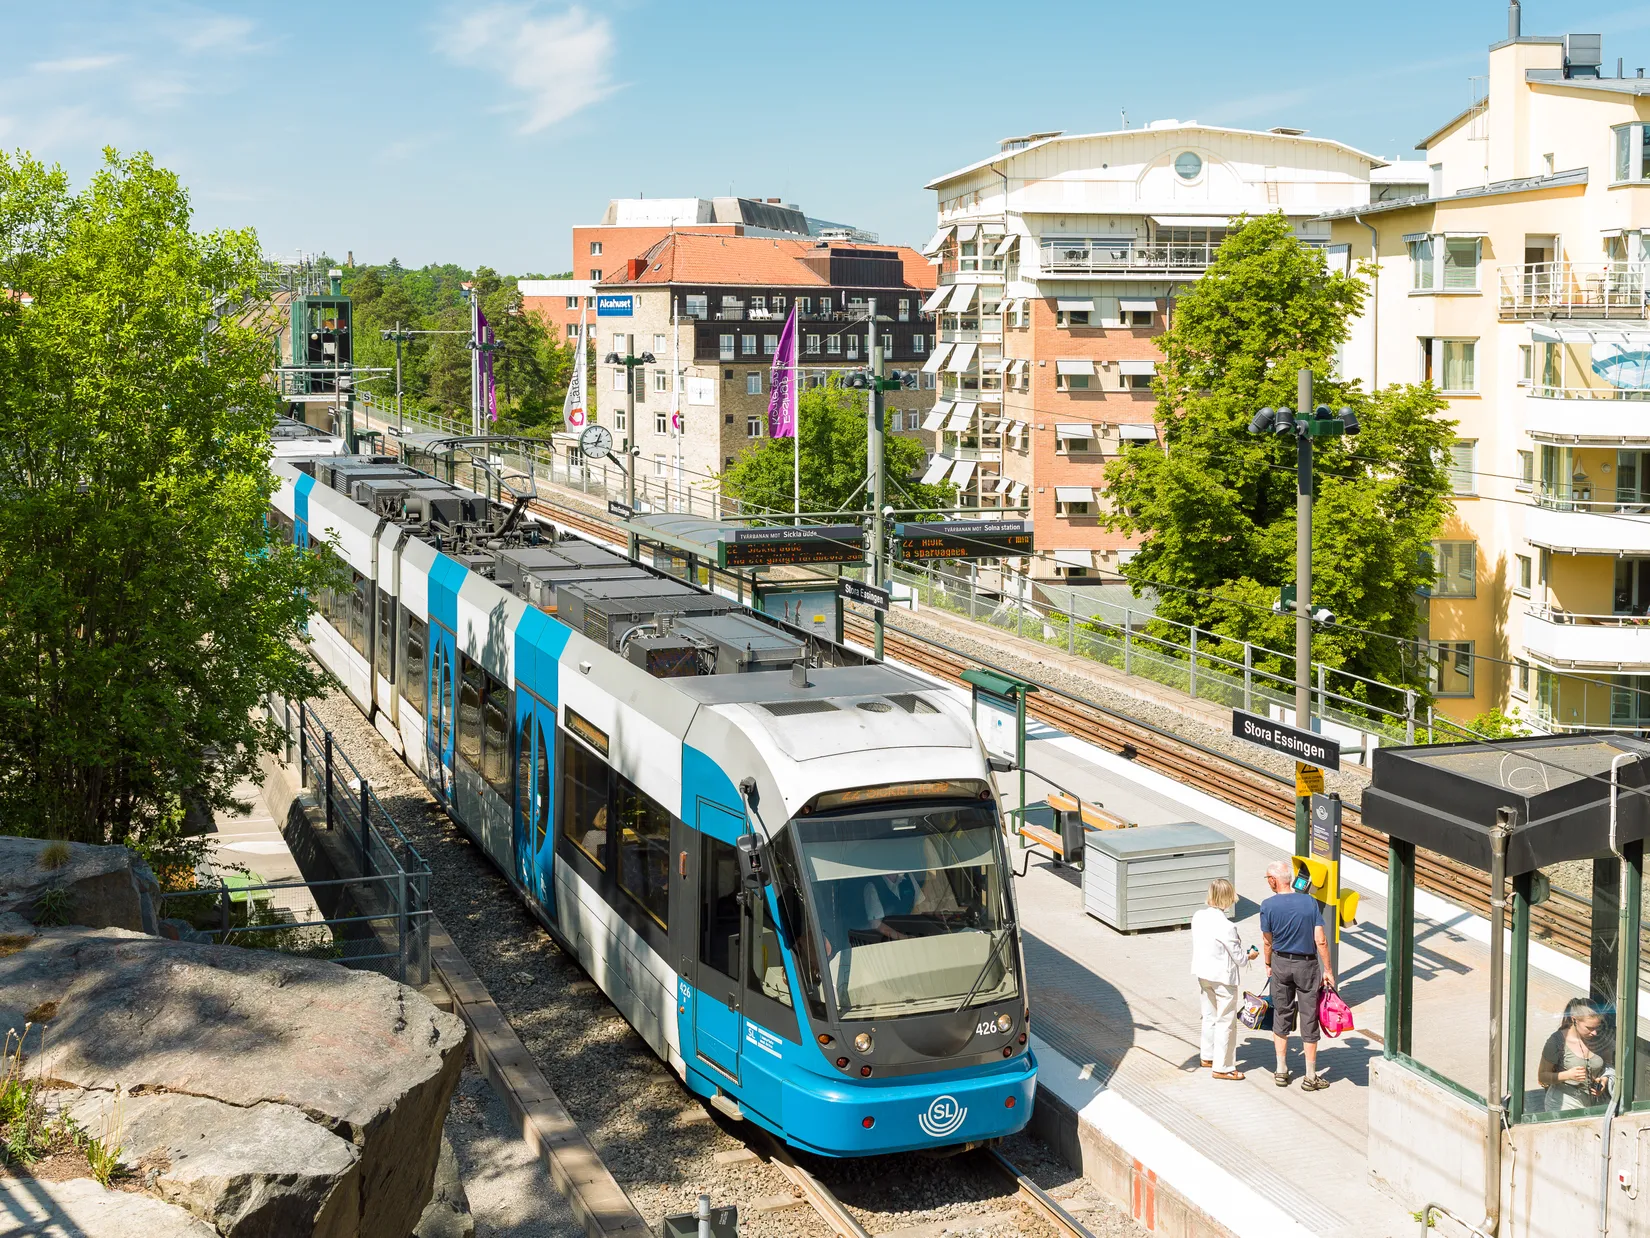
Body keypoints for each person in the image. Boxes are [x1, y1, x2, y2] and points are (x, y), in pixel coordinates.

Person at [1259, 859, 1337, 1091]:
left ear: (1273, 880)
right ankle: (1310, 1076)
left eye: (1267, 879)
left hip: (1281, 963)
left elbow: (1267, 940)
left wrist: (1268, 963)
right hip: (1307, 966)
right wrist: (1328, 971)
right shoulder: (1309, 902)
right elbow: (1320, 940)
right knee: (1309, 1017)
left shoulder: (1268, 905)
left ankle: (1281, 1070)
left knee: (1281, 1014)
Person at [1191, 878, 1249, 1080]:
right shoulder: (1227, 926)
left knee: (1209, 1015)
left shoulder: (1198, 916)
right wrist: (1250, 956)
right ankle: (1223, 1067)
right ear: (1227, 898)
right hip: (1223, 979)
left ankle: (1207, 1056)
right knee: (1226, 1021)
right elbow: (1240, 959)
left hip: (1203, 974)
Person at [1538, 997, 1612, 1112]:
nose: (1594, 1032)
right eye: (1589, 1028)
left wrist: (1603, 1080)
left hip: (1594, 1104)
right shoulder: (1557, 1041)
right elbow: (1542, 1076)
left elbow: (1609, 1066)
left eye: (1597, 1027)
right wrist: (1567, 1075)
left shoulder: (1599, 1039)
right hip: (1563, 1103)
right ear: (1574, 1020)